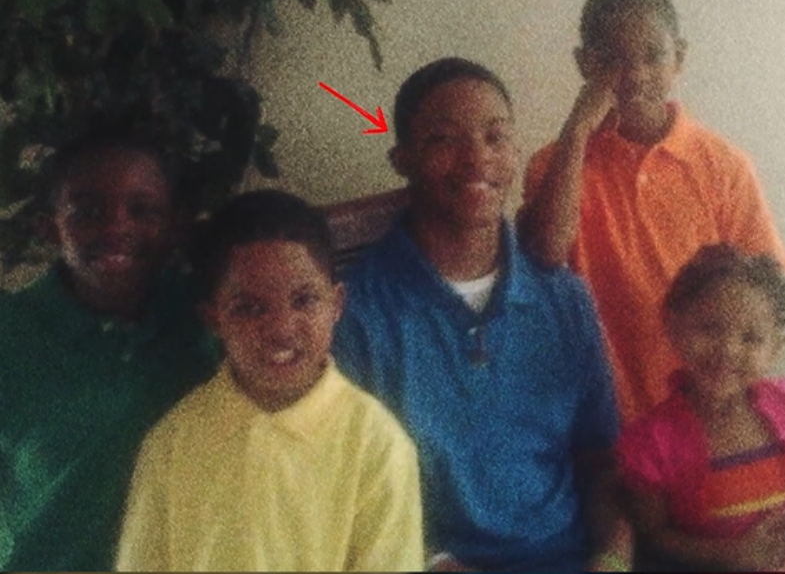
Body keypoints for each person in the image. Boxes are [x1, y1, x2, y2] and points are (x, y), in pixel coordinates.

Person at [332, 57, 631, 572]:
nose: (476, 160)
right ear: (402, 158)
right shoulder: (356, 313)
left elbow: (601, 463)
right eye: (443, 140)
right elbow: (350, 495)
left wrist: (614, 558)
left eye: (496, 137)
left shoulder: (563, 298)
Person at [517, 0, 785, 424]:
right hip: (597, 414)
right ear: (584, 63)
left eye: (653, 55)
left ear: (679, 57)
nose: (636, 74)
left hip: (703, 410)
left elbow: (764, 294)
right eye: (612, 60)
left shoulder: (724, 165)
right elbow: (546, 252)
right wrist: (577, 131)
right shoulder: (554, 164)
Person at [115, 190, 424, 572]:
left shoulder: (377, 446)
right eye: (249, 308)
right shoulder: (172, 444)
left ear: (336, 303)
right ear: (213, 319)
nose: (280, 329)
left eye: (304, 300)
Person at [0, 131, 219, 571]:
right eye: (89, 212)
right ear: (49, 227)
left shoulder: (207, 319)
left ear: (175, 226)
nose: (117, 228)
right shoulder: (11, 335)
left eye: (142, 210)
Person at [615, 243, 785, 571]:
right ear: (674, 328)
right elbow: (652, 536)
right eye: (710, 329)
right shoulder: (654, 442)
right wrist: (728, 554)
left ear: (775, 347)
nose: (728, 349)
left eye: (750, 338)